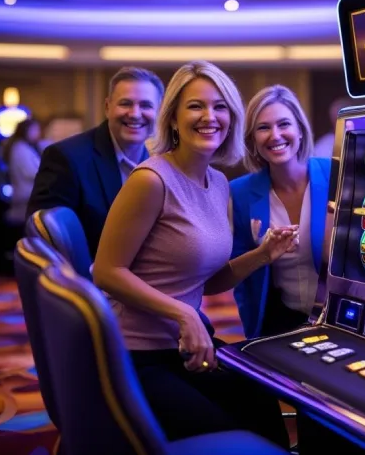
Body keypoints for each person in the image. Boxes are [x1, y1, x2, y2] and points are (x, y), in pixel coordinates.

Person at [92, 61, 294, 446]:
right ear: (172, 119)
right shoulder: (150, 180)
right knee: (229, 435)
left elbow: (209, 280)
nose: (209, 117)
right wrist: (184, 312)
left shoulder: (217, 182)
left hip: (182, 347)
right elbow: (106, 272)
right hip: (135, 354)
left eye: (220, 107)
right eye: (195, 106)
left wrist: (263, 254)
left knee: (261, 400)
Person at [27, 66, 163, 259]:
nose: (135, 113)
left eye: (146, 106)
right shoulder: (66, 157)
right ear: (107, 107)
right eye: (125, 103)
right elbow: (43, 242)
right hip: (87, 285)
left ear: (159, 112)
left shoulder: (161, 164)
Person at [230, 85, 331, 338]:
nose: (275, 135)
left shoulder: (336, 174)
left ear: (299, 129)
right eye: (263, 128)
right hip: (277, 323)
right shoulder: (238, 193)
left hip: (338, 319)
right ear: (252, 139)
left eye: (284, 124)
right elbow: (240, 278)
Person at [3, 118, 43, 224]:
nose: (38, 133)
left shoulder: (23, 147)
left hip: (25, 196)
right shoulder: (20, 148)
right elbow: (31, 172)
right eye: (35, 129)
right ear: (26, 131)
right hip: (24, 197)